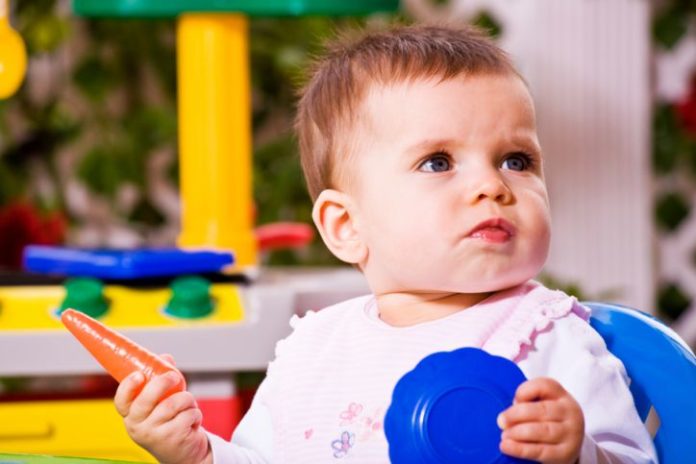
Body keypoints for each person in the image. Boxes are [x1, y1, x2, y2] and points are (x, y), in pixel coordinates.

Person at [114, 23, 658, 464]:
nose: (493, 184)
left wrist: (582, 453)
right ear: (347, 226)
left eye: (516, 160)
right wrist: (195, 453)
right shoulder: (315, 349)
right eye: (438, 162)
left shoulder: (550, 337)